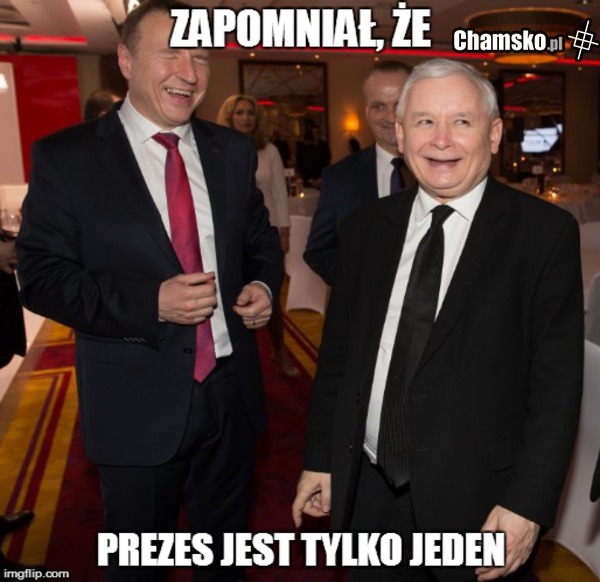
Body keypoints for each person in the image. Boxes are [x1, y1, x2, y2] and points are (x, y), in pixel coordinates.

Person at [17, 1, 283, 580]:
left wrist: (263, 283)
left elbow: (259, 240)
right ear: (125, 61)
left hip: (231, 395)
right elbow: (41, 277)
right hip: (134, 402)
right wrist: (149, 304)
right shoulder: (67, 158)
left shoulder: (231, 151)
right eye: (170, 53)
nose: (189, 72)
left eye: (201, 57)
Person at [293, 58, 583, 582]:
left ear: (494, 134)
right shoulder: (364, 229)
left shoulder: (543, 235)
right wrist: (322, 457)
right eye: (425, 121)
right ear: (401, 134)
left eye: (461, 121)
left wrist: (526, 504)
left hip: (480, 503)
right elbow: (338, 358)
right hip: (368, 492)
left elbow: (556, 388)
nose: (441, 140)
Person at [304, 60, 416, 285]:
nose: (391, 117)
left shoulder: (445, 167)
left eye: (399, 104)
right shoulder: (339, 178)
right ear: (367, 112)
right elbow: (318, 252)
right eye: (379, 106)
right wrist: (362, 285)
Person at [217, 94, 299, 377]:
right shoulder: (219, 147)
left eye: (250, 112)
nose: (246, 117)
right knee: (233, 295)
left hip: (266, 232)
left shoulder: (269, 150)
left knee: (270, 294)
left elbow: (279, 192)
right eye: (239, 112)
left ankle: (280, 350)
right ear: (229, 116)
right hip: (231, 235)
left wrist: (284, 230)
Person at [295, 118, 331, 188]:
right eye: (314, 133)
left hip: (322, 182)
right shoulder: (303, 148)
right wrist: (310, 180)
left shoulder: (323, 145)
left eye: (317, 132)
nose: (316, 135)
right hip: (307, 182)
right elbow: (300, 166)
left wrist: (320, 179)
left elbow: (327, 162)